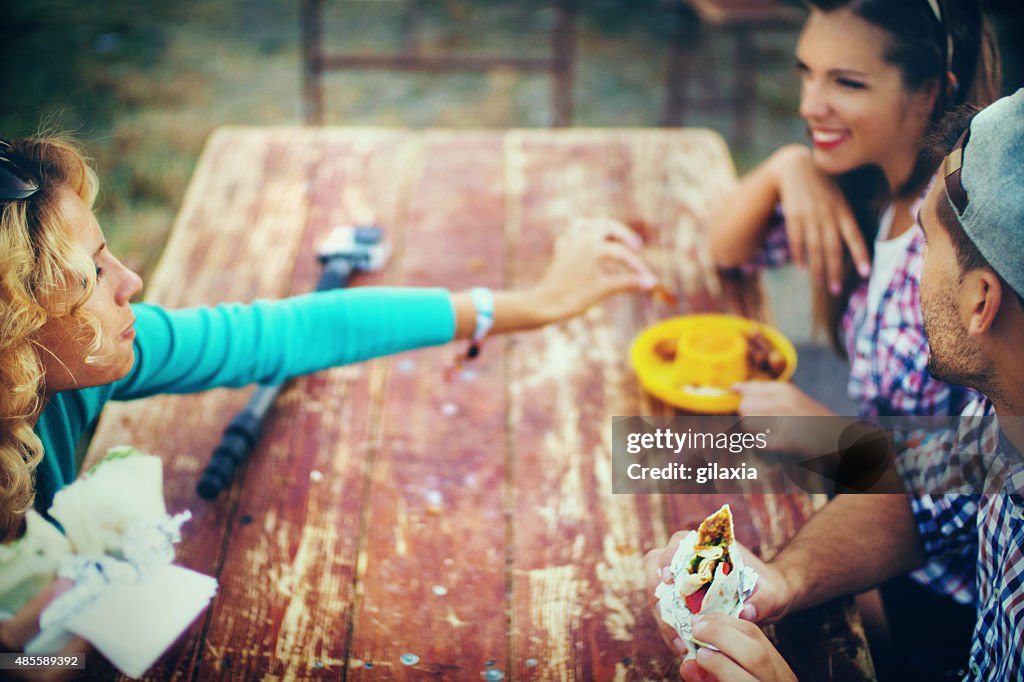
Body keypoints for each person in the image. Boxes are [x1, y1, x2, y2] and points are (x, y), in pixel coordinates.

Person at [0, 134, 658, 661]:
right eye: (91, 273)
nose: (132, 281)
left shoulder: (78, 362)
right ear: (16, 321)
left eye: (109, 253)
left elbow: (291, 330)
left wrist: (534, 304)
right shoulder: (74, 359)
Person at [647, 88, 1024, 681]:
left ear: (982, 301)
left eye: (924, 244)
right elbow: (920, 504)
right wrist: (779, 579)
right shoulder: (1000, 416)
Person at [710, 0, 999, 419]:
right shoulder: (862, 181)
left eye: (846, 83)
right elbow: (727, 250)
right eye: (806, 74)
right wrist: (785, 166)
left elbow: (977, 474)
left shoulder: (964, 247)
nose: (808, 107)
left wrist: (822, 435)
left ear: (930, 92)